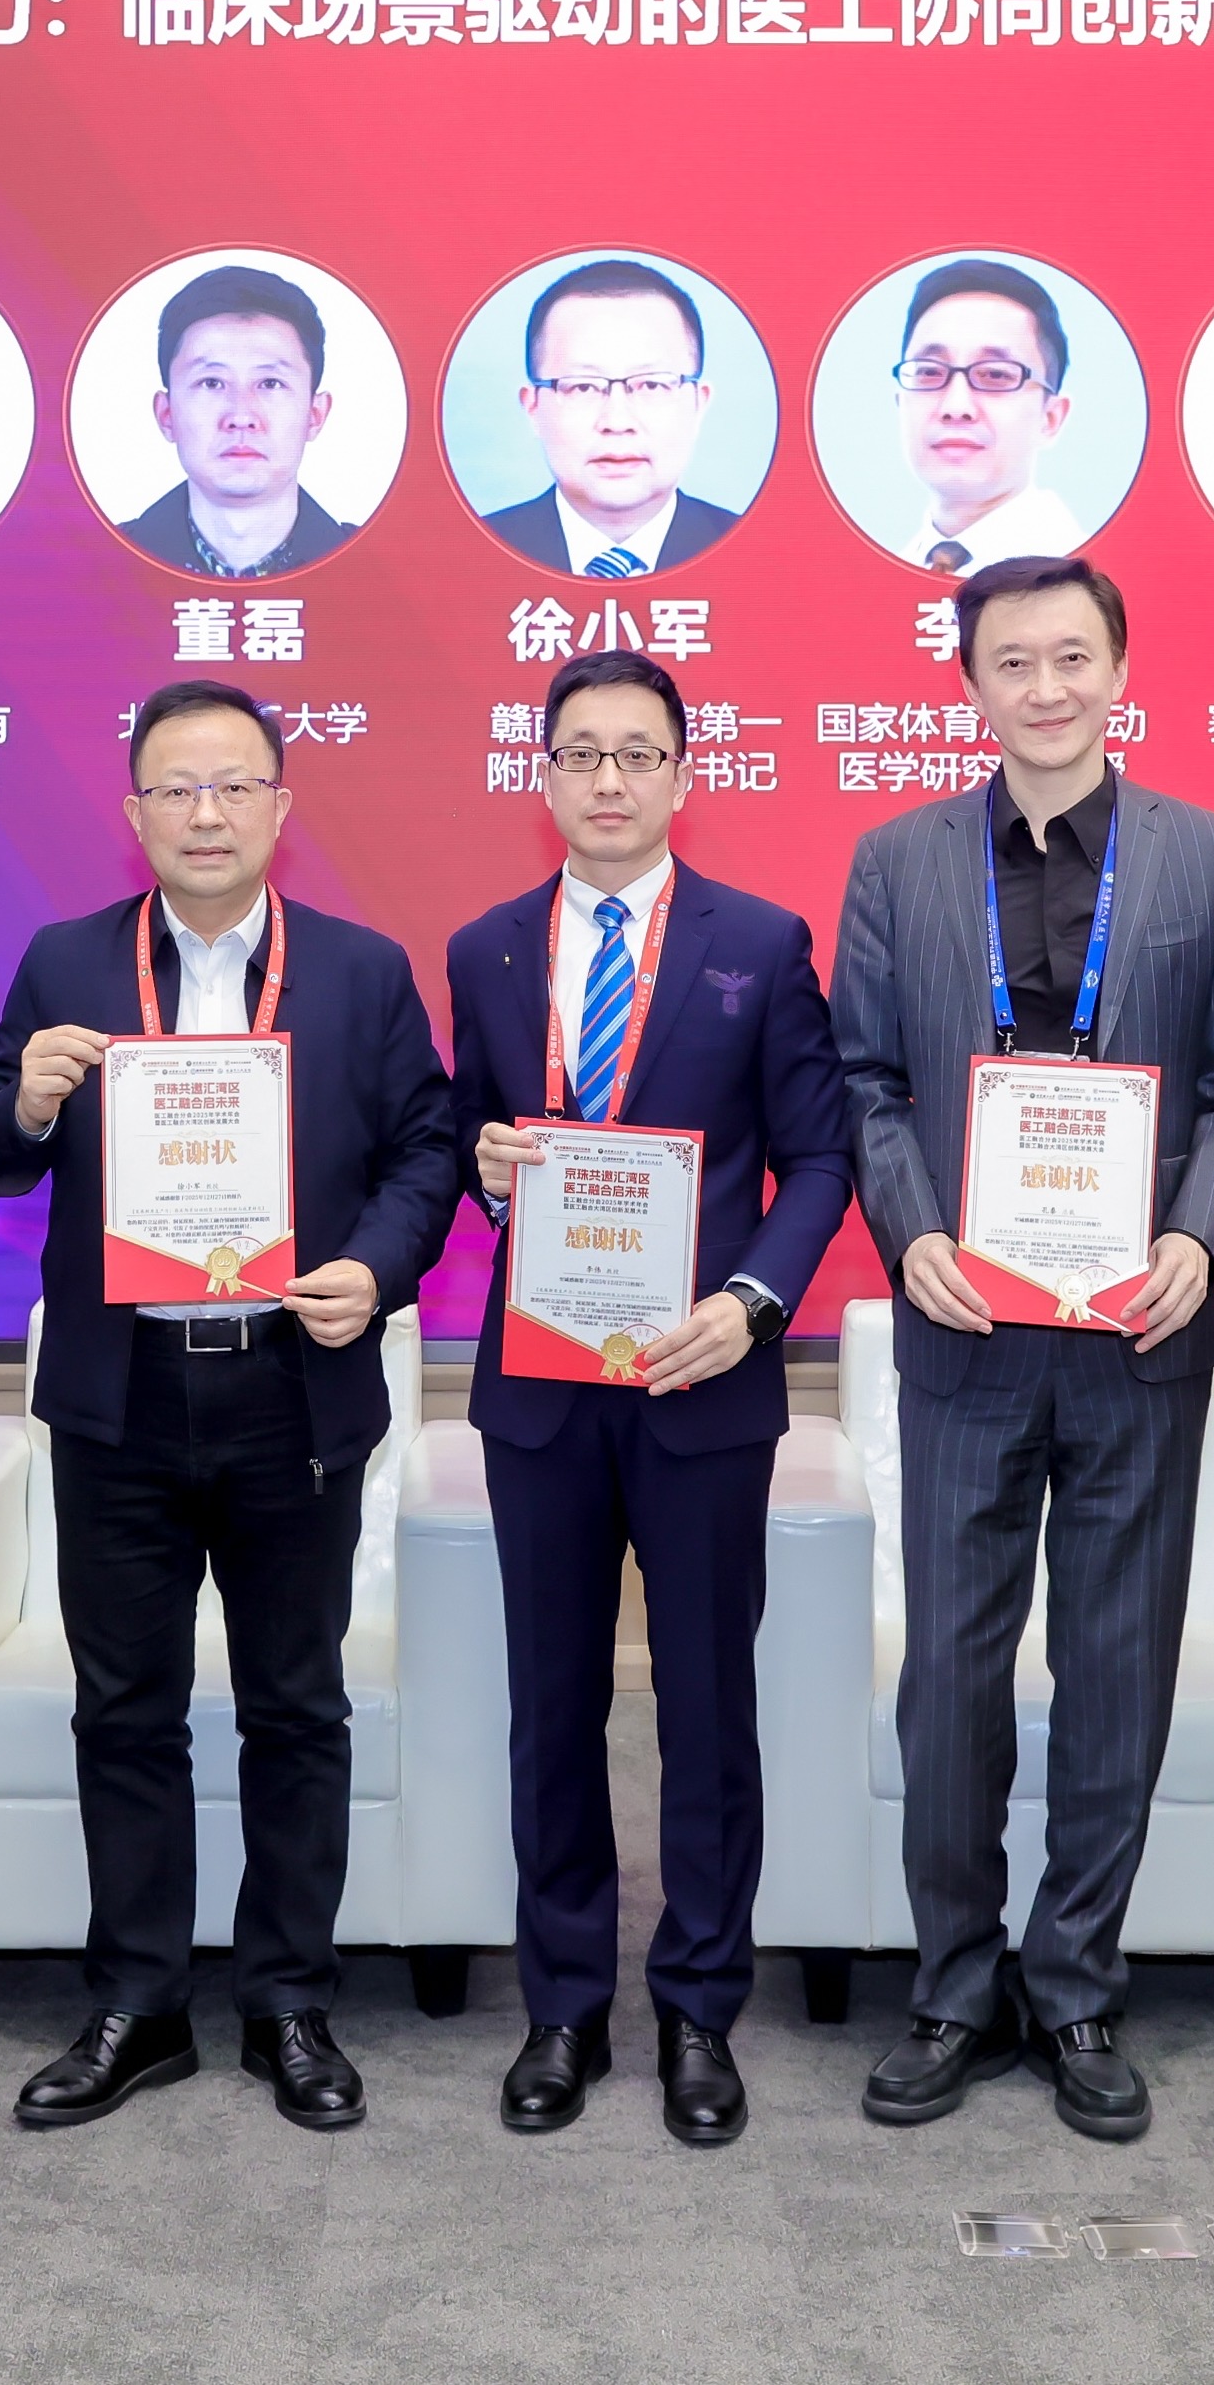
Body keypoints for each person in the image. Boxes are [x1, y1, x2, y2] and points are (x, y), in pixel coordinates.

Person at [0, 682, 463, 2131]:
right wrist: (29, 1100)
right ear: (133, 814)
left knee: (295, 1706)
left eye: (234, 785)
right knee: (123, 1707)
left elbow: (426, 1152)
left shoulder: (359, 970)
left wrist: (375, 1270)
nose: (204, 813)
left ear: (279, 808)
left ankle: (288, 1999)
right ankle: (138, 2002)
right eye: (175, 787)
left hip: (289, 1387)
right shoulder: (65, 961)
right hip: (118, 1395)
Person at [828, 554, 1214, 2142]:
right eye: (1010, 660)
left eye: (1071, 656)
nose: (1043, 686)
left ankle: (1075, 1985)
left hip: (1136, 1330)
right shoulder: (895, 858)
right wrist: (911, 1235)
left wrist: (1196, 1237)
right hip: (962, 1327)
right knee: (949, 1676)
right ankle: (953, 1988)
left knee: (1114, 1669)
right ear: (967, 683)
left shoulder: (1203, 852)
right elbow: (866, 1081)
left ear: (1117, 671)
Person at [441, 651, 851, 2144]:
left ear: (684, 773)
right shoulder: (486, 950)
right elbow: (469, 1143)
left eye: (637, 753)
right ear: (541, 774)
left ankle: (697, 2009)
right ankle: (561, 2009)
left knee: (706, 1708)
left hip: (701, 1384)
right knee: (550, 1707)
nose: (607, 779)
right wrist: (487, 1170)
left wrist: (749, 1304)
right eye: (580, 753)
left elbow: (819, 1158)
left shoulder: (762, 940)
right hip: (542, 1390)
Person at [477, 258, 743, 576]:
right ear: (533, 407)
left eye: (651, 385)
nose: (617, 422)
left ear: (699, 404)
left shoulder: (758, 555)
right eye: (583, 387)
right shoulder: (468, 556)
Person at [116, 266, 358, 577]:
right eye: (211, 383)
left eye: (270, 383)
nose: (241, 417)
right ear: (167, 415)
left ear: (315, 415)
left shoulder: (380, 571)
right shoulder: (92, 567)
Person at [878, 259, 1084, 571]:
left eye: (995, 375)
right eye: (930, 372)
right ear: (900, 403)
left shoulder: (1086, 577)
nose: (955, 407)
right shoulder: (866, 579)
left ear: (1051, 419)